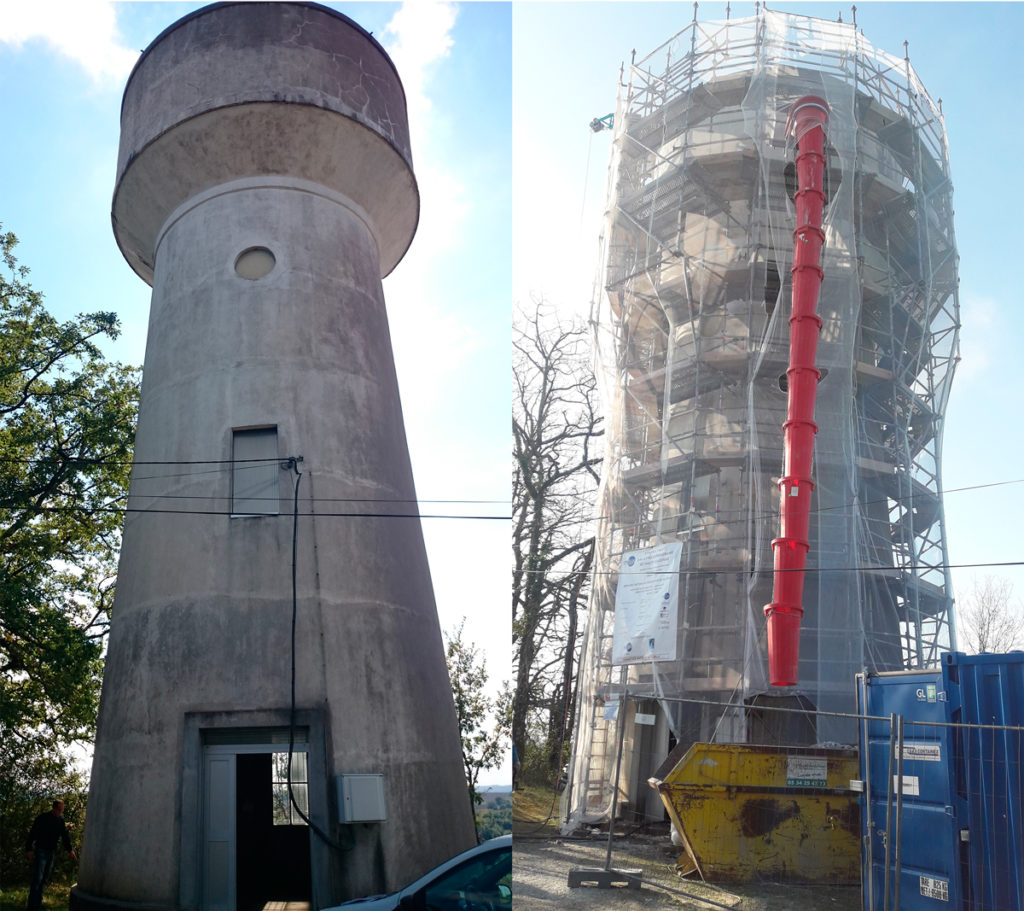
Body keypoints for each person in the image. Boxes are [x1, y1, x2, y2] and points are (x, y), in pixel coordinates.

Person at [24, 799, 76, 910]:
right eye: (59, 809)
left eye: (62, 810)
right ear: (54, 808)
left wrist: (70, 850)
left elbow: (64, 837)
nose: (60, 812)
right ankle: (31, 905)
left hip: (51, 852)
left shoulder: (60, 821)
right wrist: (28, 849)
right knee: (37, 878)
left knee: (44, 879)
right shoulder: (42, 818)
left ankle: (38, 903)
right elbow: (32, 833)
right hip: (41, 850)